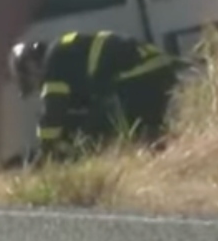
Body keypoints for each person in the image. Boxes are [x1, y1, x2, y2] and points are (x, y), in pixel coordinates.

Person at [11, 30, 187, 164]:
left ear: (31, 65)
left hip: (137, 76)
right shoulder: (64, 53)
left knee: (132, 138)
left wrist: (46, 153)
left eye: (30, 80)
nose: (37, 87)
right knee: (151, 134)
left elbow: (54, 113)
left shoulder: (53, 63)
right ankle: (175, 165)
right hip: (155, 67)